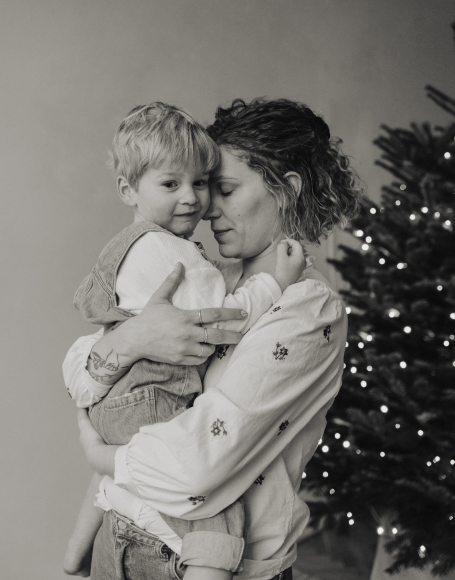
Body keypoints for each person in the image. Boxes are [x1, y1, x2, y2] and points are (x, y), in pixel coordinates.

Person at [64, 97, 362, 580]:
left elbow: (197, 465)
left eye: (222, 189)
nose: (204, 209)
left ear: (286, 190)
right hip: (121, 535)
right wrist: (134, 337)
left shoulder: (308, 309)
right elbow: (81, 373)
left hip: (198, 562)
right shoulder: (210, 276)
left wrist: (102, 456)